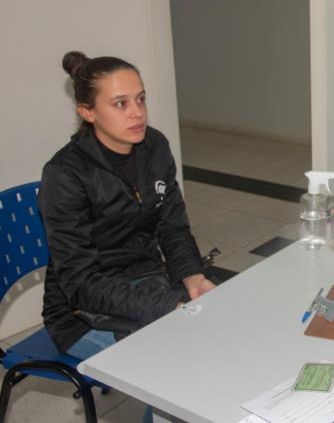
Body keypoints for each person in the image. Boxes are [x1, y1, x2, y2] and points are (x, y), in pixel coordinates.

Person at [40, 51, 214, 360]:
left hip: (148, 279)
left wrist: (192, 278)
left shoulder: (155, 146)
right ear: (87, 112)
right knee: (179, 359)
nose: (137, 113)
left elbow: (172, 226)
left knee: (219, 333)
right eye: (121, 104)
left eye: (141, 99)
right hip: (81, 314)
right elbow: (80, 283)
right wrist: (164, 305)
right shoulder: (65, 174)